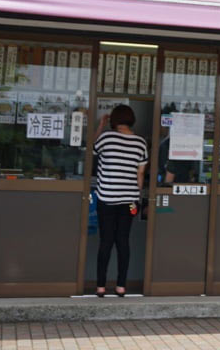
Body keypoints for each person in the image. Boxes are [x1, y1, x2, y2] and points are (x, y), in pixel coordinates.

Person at [93, 105, 147, 298]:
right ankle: (121, 286)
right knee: (123, 241)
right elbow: (140, 174)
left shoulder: (106, 138)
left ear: (114, 120)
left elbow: (93, 148)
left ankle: (100, 287)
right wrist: (135, 194)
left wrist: (101, 125)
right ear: (132, 119)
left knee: (106, 241)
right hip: (130, 201)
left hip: (106, 198)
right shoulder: (140, 142)